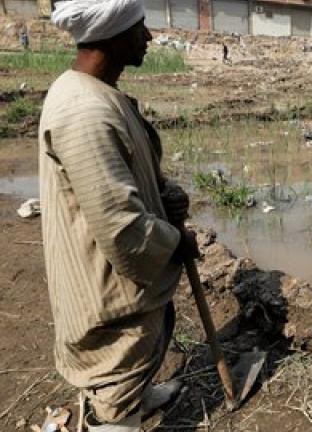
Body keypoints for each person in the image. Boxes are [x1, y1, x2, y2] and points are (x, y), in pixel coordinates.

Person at [44, 3, 197, 431]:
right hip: (106, 279)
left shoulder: (97, 94)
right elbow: (121, 226)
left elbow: (126, 173)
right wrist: (177, 242)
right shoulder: (85, 113)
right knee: (115, 367)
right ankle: (115, 420)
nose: (147, 38)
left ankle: (139, 397)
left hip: (110, 267)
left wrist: (163, 194)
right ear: (111, 36)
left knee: (136, 357)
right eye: (139, 28)